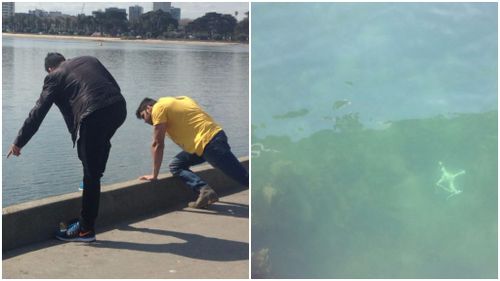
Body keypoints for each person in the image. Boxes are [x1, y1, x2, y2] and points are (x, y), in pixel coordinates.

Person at [6, 53, 127, 242]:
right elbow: (114, 86)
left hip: (93, 113)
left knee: (91, 174)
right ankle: (91, 190)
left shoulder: (54, 76)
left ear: (49, 69)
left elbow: (38, 111)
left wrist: (18, 142)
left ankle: (86, 230)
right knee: (94, 151)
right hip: (118, 108)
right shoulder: (89, 59)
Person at [136, 96, 248, 208]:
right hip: (212, 138)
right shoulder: (182, 99)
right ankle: (205, 191)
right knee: (176, 165)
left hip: (210, 145)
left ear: (149, 108)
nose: (145, 121)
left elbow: (157, 144)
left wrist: (154, 175)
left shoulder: (157, 108)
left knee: (243, 177)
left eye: (143, 116)